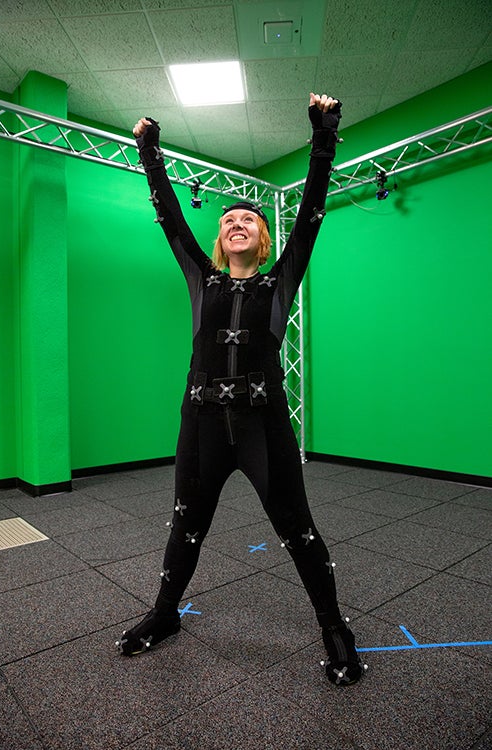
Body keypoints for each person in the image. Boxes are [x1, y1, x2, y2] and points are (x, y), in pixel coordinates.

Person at [115, 93, 367, 686]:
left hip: (262, 423)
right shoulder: (200, 278)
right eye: (228, 219)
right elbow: (172, 220)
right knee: (185, 522)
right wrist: (149, 154)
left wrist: (323, 137)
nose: (236, 222)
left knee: (297, 526)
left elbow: (309, 214)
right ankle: (164, 614)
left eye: (248, 219)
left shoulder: (281, 281)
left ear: (262, 238)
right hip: (201, 423)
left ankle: (336, 629)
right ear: (220, 237)